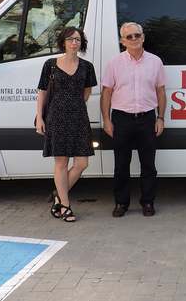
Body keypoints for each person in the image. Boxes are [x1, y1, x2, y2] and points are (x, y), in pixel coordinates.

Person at [101, 22, 166, 217]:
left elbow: (161, 91)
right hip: (121, 119)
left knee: (148, 165)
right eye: (129, 37)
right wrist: (106, 119)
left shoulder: (155, 62)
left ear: (143, 37)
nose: (134, 39)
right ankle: (121, 203)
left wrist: (160, 117)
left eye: (137, 35)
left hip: (147, 118)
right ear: (123, 41)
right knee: (121, 165)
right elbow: (106, 93)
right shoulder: (114, 63)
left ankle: (148, 202)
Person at [35, 26, 97, 223]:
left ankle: (58, 198)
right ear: (63, 42)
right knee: (61, 163)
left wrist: (75, 105)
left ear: (81, 43)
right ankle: (66, 206)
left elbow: (87, 92)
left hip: (79, 118)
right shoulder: (50, 65)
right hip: (56, 118)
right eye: (70, 39)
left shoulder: (87, 66)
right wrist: (40, 117)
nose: (74, 43)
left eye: (78, 39)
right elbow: (42, 92)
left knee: (82, 163)